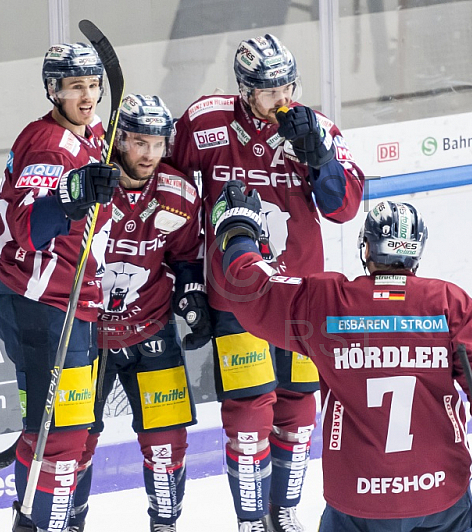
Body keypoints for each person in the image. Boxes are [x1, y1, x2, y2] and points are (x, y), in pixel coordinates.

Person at [211, 182, 472, 532]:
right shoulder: (447, 302)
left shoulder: (327, 302)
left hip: (358, 497)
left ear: (366, 249)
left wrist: (238, 230)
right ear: (416, 253)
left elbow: (248, 286)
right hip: (440, 494)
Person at [169, 34, 364, 531]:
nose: (282, 99)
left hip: (302, 295)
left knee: (299, 407)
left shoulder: (314, 128)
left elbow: (344, 209)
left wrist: (317, 156)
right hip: (238, 295)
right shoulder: (203, 121)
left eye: (289, 86)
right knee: (248, 411)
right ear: (244, 89)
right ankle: (251, 520)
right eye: (269, 90)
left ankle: (284, 511)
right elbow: (172, 202)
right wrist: (189, 279)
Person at [0, 42, 120, 532]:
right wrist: (73, 195)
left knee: (69, 433)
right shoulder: (50, 146)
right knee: (60, 437)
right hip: (43, 307)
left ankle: (51, 523)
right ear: (54, 91)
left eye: (92, 86)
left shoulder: (93, 136)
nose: (87, 97)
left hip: (73, 304)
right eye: (75, 88)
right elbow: (28, 227)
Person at [87, 94, 209, 532]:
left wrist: (192, 295)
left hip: (153, 331)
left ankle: (165, 524)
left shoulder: (179, 193)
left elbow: (184, 258)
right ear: (119, 140)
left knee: (165, 444)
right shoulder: (90, 185)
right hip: (87, 338)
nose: (150, 155)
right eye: (140, 143)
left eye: (158, 144)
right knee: (75, 444)